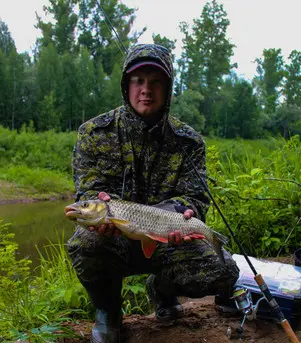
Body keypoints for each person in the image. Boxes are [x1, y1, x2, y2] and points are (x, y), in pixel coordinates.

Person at [66, 44, 239, 343]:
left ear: (168, 87)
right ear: (126, 85)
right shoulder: (94, 132)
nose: (146, 89)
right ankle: (108, 312)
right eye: (138, 80)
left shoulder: (189, 141)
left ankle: (162, 289)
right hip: (116, 237)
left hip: (167, 234)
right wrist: (99, 204)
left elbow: (194, 199)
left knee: (222, 271)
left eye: (155, 81)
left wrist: (184, 212)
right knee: (85, 241)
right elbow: (89, 190)